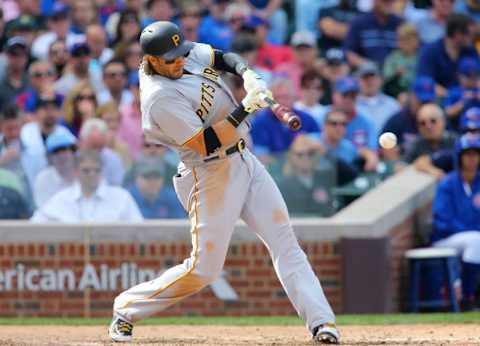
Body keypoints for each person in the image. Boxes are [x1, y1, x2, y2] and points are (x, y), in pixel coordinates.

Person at [108, 21, 340, 344]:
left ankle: (322, 324)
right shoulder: (159, 97)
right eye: (170, 59)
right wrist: (247, 108)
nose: (179, 61)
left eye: (180, 54)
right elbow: (207, 143)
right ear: (152, 60)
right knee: (204, 270)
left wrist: (248, 74)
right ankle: (126, 309)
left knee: (284, 240)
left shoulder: (182, 54)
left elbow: (222, 58)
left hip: (244, 158)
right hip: (209, 172)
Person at [432, 133, 480, 311]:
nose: (472, 158)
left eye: (475, 154)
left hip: (472, 240)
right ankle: (467, 298)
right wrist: (469, 230)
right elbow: (442, 220)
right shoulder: (448, 183)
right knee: (476, 240)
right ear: (459, 156)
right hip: (446, 239)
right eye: (468, 154)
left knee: (476, 241)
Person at [31, 149, 142, 223]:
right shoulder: (61, 198)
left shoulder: (121, 197)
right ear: (76, 171)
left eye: (96, 170)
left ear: (102, 171)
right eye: (86, 171)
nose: (92, 174)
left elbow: (139, 229)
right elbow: (34, 224)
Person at [417, 13, 478, 95]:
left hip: (469, 97)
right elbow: (426, 82)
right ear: (457, 34)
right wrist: (452, 95)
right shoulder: (430, 51)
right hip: (437, 99)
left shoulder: (470, 50)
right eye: (470, 35)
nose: (473, 38)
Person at [20, 94, 73, 188]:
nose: (50, 113)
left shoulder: (65, 134)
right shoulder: (25, 132)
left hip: (61, 187)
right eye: (45, 109)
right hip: (30, 184)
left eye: (54, 109)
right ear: (36, 112)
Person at [344, 0, 403, 68]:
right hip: (366, 74)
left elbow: (411, 52)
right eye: (385, 1)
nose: (389, 4)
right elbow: (349, 53)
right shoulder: (359, 22)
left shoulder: (401, 24)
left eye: (391, 1)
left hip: (395, 73)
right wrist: (370, 67)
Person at [404, 103, 457, 179]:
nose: (428, 126)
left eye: (433, 121)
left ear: (443, 121)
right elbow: (403, 167)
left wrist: (430, 161)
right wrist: (427, 168)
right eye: (422, 123)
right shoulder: (416, 144)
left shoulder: (455, 141)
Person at [355, 62, 401, 137]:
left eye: (373, 77)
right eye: (365, 78)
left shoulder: (393, 105)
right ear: (357, 81)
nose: (369, 81)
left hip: (387, 146)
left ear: (381, 79)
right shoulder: (352, 104)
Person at [33, 130, 77, 207]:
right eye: (56, 152)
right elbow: (44, 209)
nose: (61, 156)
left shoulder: (86, 174)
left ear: (72, 152)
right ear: (49, 157)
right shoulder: (43, 179)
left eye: (64, 150)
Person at [382, 23, 419, 100]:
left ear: (416, 40)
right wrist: (396, 74)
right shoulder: (393, 58)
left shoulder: (421, 57)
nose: (405, 43)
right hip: (397, 92)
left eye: (408, 39)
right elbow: (386, 80)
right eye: (401, 39)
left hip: (417, 91)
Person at [444, 57, 480, 132]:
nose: (473, 79)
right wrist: (463, 102)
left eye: (476, 75)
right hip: (459, 132)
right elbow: (447, 113)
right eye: (469, 76)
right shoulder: (454, 92)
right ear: (459, 75)